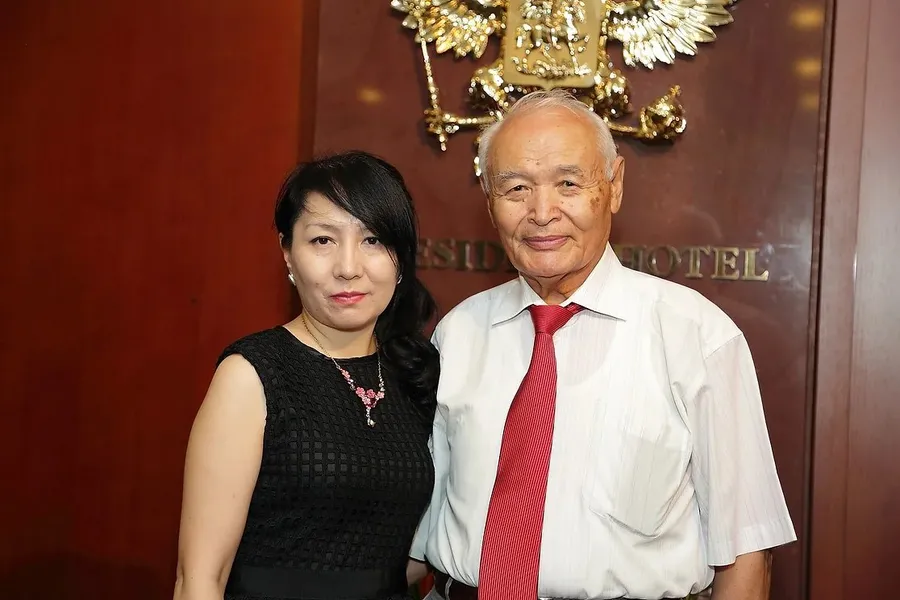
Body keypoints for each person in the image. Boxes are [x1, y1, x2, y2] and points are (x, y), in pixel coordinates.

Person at [411, 90, 797, 600]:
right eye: (516, 188)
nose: (542, 212)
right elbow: (419, 525)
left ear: (614, 186)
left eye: (568, 184)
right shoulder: (457, 334)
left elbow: (746, 552)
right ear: (488, 200)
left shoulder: (696, 336)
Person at [174, 151, 439, 600]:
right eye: (323, 240)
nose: (348, 267)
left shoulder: (414, 373)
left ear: (401, 259)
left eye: (373, 239)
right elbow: (199, 578)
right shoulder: (253, 374)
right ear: (288, 253)